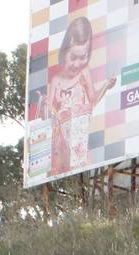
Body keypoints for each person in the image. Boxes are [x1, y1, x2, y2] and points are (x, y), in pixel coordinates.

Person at [39, 16, 117, 176]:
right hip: (59, 151)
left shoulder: (84, 72)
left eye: (84, 57)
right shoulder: (56, 81)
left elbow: (93, 100)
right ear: (64, 52)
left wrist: (106, 86)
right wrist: (44, 105)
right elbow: (47, 117)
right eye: (73, 57)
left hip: (79, 148)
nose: (77, 64)